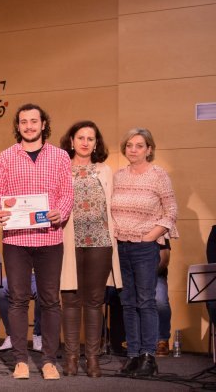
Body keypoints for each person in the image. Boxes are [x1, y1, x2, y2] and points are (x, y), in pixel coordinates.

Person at [0, 103, 73, 381]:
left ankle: (49, 360)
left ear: (43, 124)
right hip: (16, 239)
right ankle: (20, 361)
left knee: (50, 300)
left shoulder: (60, 156)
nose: (29, 126)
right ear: (18, 126)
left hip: (50, 238)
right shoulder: (5, 157)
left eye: (34, 121)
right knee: (17, 300)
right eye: (23, 122)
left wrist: (61, 212)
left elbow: (67, 194)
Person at [112, 128, 178, 377]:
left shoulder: (158, 175)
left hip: (144, 247)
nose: (133, 150)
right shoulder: (118, 176)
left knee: (146, 302)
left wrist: (151, 236)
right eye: (129, 145)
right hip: (120, 247)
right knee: (127, 303)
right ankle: (133, 355)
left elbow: (171, 211)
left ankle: (149, 357)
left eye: (139, 145)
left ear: (149, 149)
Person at [59, 121, 122, 377]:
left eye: (90, 138)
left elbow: (113, 205)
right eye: (81, 137)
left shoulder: (105, 170)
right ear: (71, 141)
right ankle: (71, 357)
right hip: (68, 241)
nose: (85, 142)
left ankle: (93, 359)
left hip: (100, 242)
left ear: (96, 143)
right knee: (70, 300)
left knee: (94, 302)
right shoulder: (61, 168)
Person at [0, 273, 42, 352]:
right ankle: (12, 334)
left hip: (38, 276)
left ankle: (38, 334)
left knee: (43, 293)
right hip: (16, 274)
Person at [155, 241, 172, 357]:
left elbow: (165, 259)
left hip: (156, 273)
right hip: (132, 273)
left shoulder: (160, 232)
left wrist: (147, 275)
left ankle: (162, 339)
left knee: (161, 301)